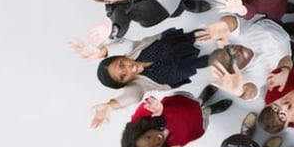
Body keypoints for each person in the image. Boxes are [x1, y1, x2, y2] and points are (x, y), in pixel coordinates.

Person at [68, 27, 216, 128]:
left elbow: (122, 44)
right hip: (188, 66)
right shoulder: (138, 86)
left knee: (211, 33)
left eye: (121, 64)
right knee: (217, 59)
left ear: (121, 57)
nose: (128, 69)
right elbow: (131, 96)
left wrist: (100, 52)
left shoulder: (132, 49)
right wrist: (110, 106)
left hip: (185, 41)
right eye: (123, 76)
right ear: (125, 82)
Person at [120, 93, 231, 147]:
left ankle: (202, 98)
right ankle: (210, 110)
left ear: (141, 131)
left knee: (196, 101)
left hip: (181, 103)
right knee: (204, 114)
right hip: (195, 124)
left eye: (148, 137)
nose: (156, 140)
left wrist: (156, 106)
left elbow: (147, 103)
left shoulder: (139, 120)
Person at [199, 15, 293, 102]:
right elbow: (250, 92)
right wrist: (240, 92)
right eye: (232, 60)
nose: (234, 52)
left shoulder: (239, 37)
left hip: (273, 23)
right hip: (288, 52)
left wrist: (220, 27)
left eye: (228, 50)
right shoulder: (251, 76)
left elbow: (231, 23)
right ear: (233, 72)